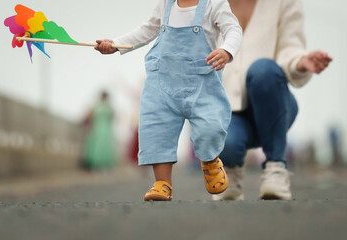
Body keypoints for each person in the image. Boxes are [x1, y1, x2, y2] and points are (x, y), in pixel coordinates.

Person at [95, 0, 242, 201]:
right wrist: (115, 44)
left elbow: (233, 29)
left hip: (202, 83)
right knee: (157, 131)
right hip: (162, 84)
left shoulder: (214, 4)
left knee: (211, 126)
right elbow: (147, 30)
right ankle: (162, 183)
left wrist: (227, 50)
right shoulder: (166, 4)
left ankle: (209, 160)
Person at [215, 0, 332, 201]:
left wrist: (300, 61)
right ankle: (229, 170)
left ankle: (276, 167)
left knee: (263, 70)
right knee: (227, 144)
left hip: (273, 104)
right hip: (227, 110)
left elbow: (290, 47)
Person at [82, 91, 117, 170]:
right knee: (99, 145)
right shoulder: (101, 107)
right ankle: (96, 164)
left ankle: (103, 164)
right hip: (99, 128)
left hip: (103, 129)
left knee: (103, 145)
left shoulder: (100, 107)